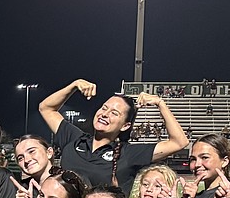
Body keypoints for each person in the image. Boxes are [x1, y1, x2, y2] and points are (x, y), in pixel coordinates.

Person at [37, 81, 189, 189]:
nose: (105, 114)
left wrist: (160, 103)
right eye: (104, 108)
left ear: (125, 126)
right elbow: (46, 108)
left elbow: (179, 142)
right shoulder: (75, 138)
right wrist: (73, 86)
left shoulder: (128, 153)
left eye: (114, 113)